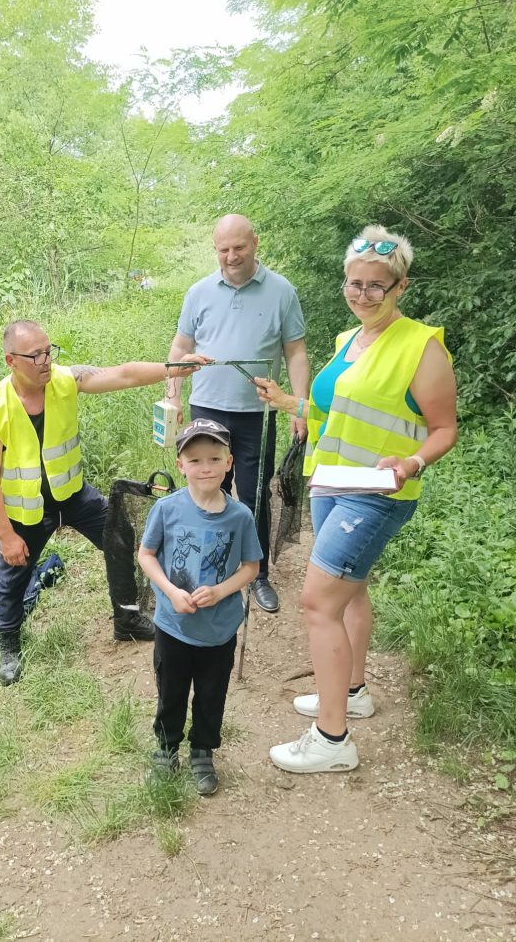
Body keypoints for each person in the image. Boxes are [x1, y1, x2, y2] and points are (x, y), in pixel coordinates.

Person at [255, 226, 458, 773]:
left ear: (400, 287)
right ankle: (351, 692)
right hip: (332, 483)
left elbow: (443, 428)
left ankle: (331, 739)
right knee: (351, 594)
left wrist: (413, 461)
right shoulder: (350, 340)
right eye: (354, 283)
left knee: (319, 603)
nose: (362, 294)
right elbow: (333, 414)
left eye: (376, 286)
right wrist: (289, 403)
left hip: (376, 495)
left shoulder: (422, 346)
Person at [0, 320, 207, 686]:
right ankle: (9, 645)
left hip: (74, 495)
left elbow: (123, 375)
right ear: (11, 360)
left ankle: (127, 618)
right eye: (34, 355)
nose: (45, 360)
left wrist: (173, 369)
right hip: (28, 510)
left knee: (123, 542)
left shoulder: (66, 380)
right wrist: (5, 534)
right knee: (13, 573)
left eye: (48, 351)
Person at [166, 214, 310, 614]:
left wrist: (299, 405)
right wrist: (173, 397)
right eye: (223, 249)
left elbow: (295, 351)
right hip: (207, 408)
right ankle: (207, 565)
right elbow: (180, 348)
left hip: (256, 413)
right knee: (206, 487)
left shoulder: (282, 291)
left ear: (255, 243)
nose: (231, 256)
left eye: (238, 248)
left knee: (253, 493)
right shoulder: (198, 292)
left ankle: (257, 573)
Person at [137, 418, 262, 795]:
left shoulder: (240, 516)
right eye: (194, 460)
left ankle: (203, 750)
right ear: (181, 465)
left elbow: (251, 568)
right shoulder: (167, 508)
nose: (204, 467)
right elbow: (146, 555)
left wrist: (222, 591)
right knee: (171, 688)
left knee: (211, 691)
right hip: (174, 623)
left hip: (220, 628)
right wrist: (171, 592)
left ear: (229, 463)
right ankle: (166, 746)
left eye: (214, 458)